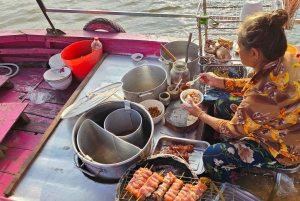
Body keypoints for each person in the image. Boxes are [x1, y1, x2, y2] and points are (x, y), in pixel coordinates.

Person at [182, 9, 300, 182]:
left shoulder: (261, 94)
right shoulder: (287, 56)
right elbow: (257, 83)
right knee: (222, 103)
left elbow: (233, 128)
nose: (236, 49)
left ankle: (230, 179)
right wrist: (219, 82)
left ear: (254, 53)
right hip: (281, 122)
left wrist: (199, 114)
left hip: (283, 148)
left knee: (211, 156)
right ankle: (235, 148)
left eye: (239, 46)